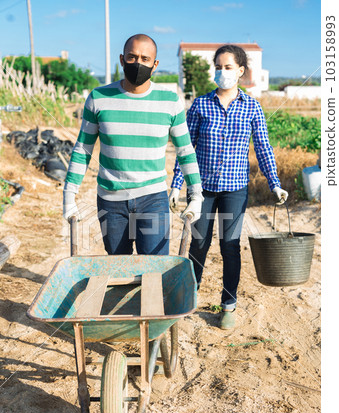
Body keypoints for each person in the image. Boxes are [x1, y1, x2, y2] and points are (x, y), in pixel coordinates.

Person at [169, 44, 288, 330]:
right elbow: (186, 148)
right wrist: (176, 185)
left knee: (230, 246)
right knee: (198, 243)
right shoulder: (201, 104)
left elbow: (262, 147)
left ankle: (228, 305)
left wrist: (275, 183)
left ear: (241, 71)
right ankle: (190, 296)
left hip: (235, 189)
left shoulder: (252, 107)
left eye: (228, 67)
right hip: (202, 189)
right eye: (219, 67)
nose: (222, 72)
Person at [63, 34, 203, 255]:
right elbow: (83, 150)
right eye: (132, 57)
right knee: (120, 269)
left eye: (145, 59)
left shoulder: (169, 102)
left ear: (154, 64)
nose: (138, 63)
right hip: (111, 201)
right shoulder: (99, 98)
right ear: (122, 59)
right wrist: (69, 195)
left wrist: (196, 195)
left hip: (153, 200)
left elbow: (185, 152)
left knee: (154, 271)